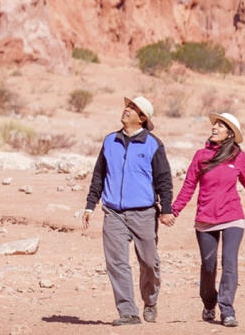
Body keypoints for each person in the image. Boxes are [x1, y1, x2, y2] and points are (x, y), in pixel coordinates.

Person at [168, 112, 245, 328]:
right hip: (205, 220)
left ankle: (227, 310)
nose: (214, 127)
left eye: (221, 125)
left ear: (230, 133)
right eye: (215, 124)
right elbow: (188, 186)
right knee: (208, 266)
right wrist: (173, 210)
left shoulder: (238, 156)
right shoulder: (200, 156)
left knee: (229, 263)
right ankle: (209, 302)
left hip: (232, 218)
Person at [82, 95, 174, 326]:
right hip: (113, 212)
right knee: (116, 263)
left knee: (149, 262)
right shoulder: (109, 141)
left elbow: (164, 179)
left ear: (142, 118)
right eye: (128, 106)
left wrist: (167, 209)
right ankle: (128, 312)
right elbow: (99, 175)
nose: (127, 110)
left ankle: (150, 301)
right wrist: (90, 205)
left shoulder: (153, 144)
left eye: (133, 108)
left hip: (144, 213)